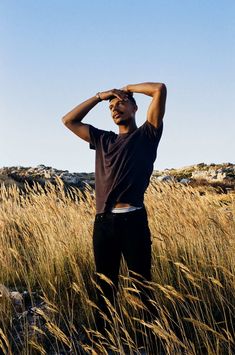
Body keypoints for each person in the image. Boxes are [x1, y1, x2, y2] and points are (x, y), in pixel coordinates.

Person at [62, 82, 167, 325]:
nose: (114, 108)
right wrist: (101, 96)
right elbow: (68, 120)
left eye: (120, 103)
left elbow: (159, 89)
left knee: (142, 286)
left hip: (134, 220)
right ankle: (105, 343)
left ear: (135, 107)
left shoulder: (148, 134)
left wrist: (126, 87)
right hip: (104, 223)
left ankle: (149, 341)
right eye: (111, 107)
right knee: (104, 290)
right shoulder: (103, 139)